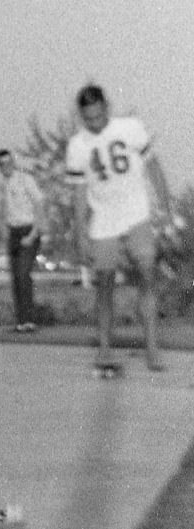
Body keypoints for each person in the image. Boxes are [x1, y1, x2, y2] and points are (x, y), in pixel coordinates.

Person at [65, 84, 169, 371]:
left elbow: (154, 166)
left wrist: (166, 207)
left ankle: (152, 347)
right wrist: (80, 234)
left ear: (107, 107)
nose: (95, 123)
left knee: (147, 274)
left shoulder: (131, 127)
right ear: (81, 116)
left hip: (137, 212)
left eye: (99, 116)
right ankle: (105, 349)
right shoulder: (77, 146)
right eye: (89, 119)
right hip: (104, 221)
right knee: (105, 286)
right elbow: (78, 194)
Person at [0, 149, 46, 333]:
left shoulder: (25, 179)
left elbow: (39, 205)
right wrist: (3, 230)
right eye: (1, 164)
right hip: (13, 231)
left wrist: (33, 234)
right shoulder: (1, 184)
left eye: (8, 163)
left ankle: (29, 320)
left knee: (24, 274)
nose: (5, 167)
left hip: (28, 229)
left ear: (13, 162)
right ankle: (20, 321)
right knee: (16, 277)